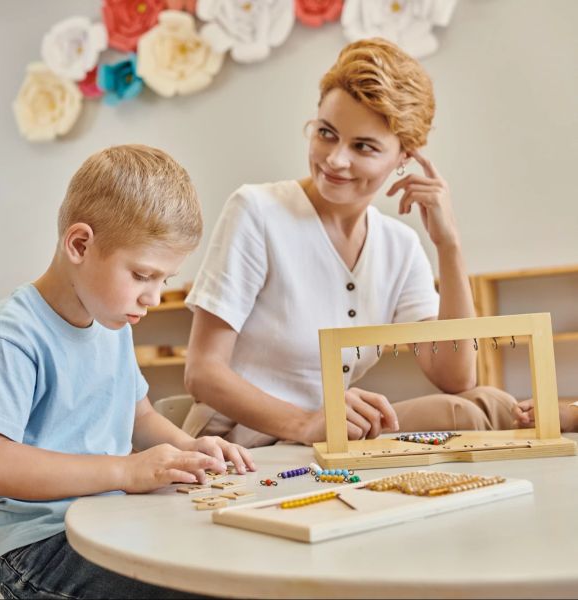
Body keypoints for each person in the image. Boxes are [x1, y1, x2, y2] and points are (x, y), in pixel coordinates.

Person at [182, 38, 518, 448]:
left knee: (474, 406)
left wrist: (449, 246)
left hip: (324, 449)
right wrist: (307, 423)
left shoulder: (400, 246)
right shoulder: (257, 211)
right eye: (326, 133)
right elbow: (202, 372)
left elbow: (456, 376)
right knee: (472, 413)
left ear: (403, 158)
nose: (336, 160)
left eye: (363, 146)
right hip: (236, 447)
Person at [0, 144, 255, 599]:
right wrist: (125, 472)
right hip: (39, 550)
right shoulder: (9, 335)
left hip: (111, 523)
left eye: (164, 281)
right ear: (79, 244)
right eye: (141, 275)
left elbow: (140, 418)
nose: (153, 297)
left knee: (233, 566)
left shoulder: (111, 322)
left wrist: (189, 448)